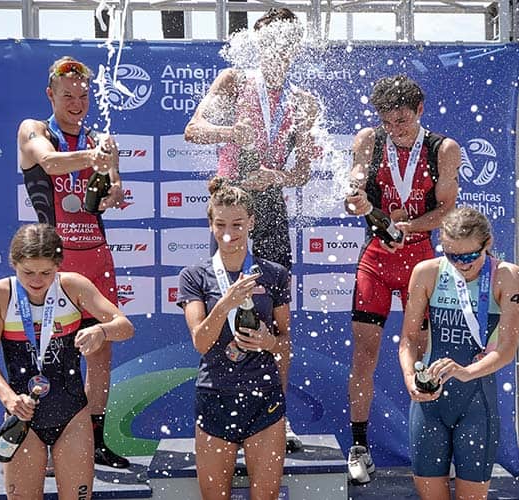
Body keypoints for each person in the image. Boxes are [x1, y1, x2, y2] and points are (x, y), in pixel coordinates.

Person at [184, 6, 319, 451]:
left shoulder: (303, 101)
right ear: (257, 45)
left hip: (270, 204)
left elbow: (301, 171)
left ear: (294, 47)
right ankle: (222, 410)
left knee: (276, 317)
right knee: (221, 302)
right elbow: (193, 130)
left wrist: (275, 177)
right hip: (230, 202)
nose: (276, 51)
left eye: (285, 44)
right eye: (269, 43)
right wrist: (231, 132)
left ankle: (277, 414)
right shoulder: (234, 81)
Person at [343, 74, 461, 483]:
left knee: (422, 358)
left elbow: (446, 210)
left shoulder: (443, 149)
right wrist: (355, 197)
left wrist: (407, 228)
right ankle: (359, 446)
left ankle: (430, 445)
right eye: (387, 122)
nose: (395, 130)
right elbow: (356, 179)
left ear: (420, 110)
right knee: (364, 355)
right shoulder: (369, 139)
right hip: (376, 259)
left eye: (403, 121)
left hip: (420, 263)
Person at [17, 56, 130, 468]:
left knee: (101, 352)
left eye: (83, 96)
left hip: (96, 256)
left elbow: (114, 189)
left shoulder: (97, 138)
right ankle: (48, 442)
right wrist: (94, 157)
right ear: (51, 94)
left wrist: (114, 191)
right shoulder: (35, 129)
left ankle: (95, 440)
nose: (77, 103)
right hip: (53, 264)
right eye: (68, 96)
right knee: (51, 354)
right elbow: (49, 163)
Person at [0, 223, 134, 499]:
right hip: (23, 416)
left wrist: (102, 331)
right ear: (14, 264)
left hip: (72, 416)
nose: (37, 280)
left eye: (46, 272)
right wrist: (9, 399)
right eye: (28, 272)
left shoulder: (73, 285)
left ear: (58, 266)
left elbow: (125, 327)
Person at [177, 177, 291, 500]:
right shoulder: (194, 276)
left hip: (264, 396)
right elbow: (201, 342)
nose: (229, 233)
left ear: (251, 222)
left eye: (238, 224)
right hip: (215, 395)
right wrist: (226, 302)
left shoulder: (274, 274)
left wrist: (269, 342)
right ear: (210, 224)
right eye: (221, 224)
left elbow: (286, 343)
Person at [398, 207, 519, 500]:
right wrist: (410, 378)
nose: (461, 264)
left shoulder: (507, 275)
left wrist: (466, 372)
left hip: (477, 403)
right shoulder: (427, 272)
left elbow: (507, 349)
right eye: (452, 256)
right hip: (430, 404)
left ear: (487, 244)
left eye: (469, 256)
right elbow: (408, 338)